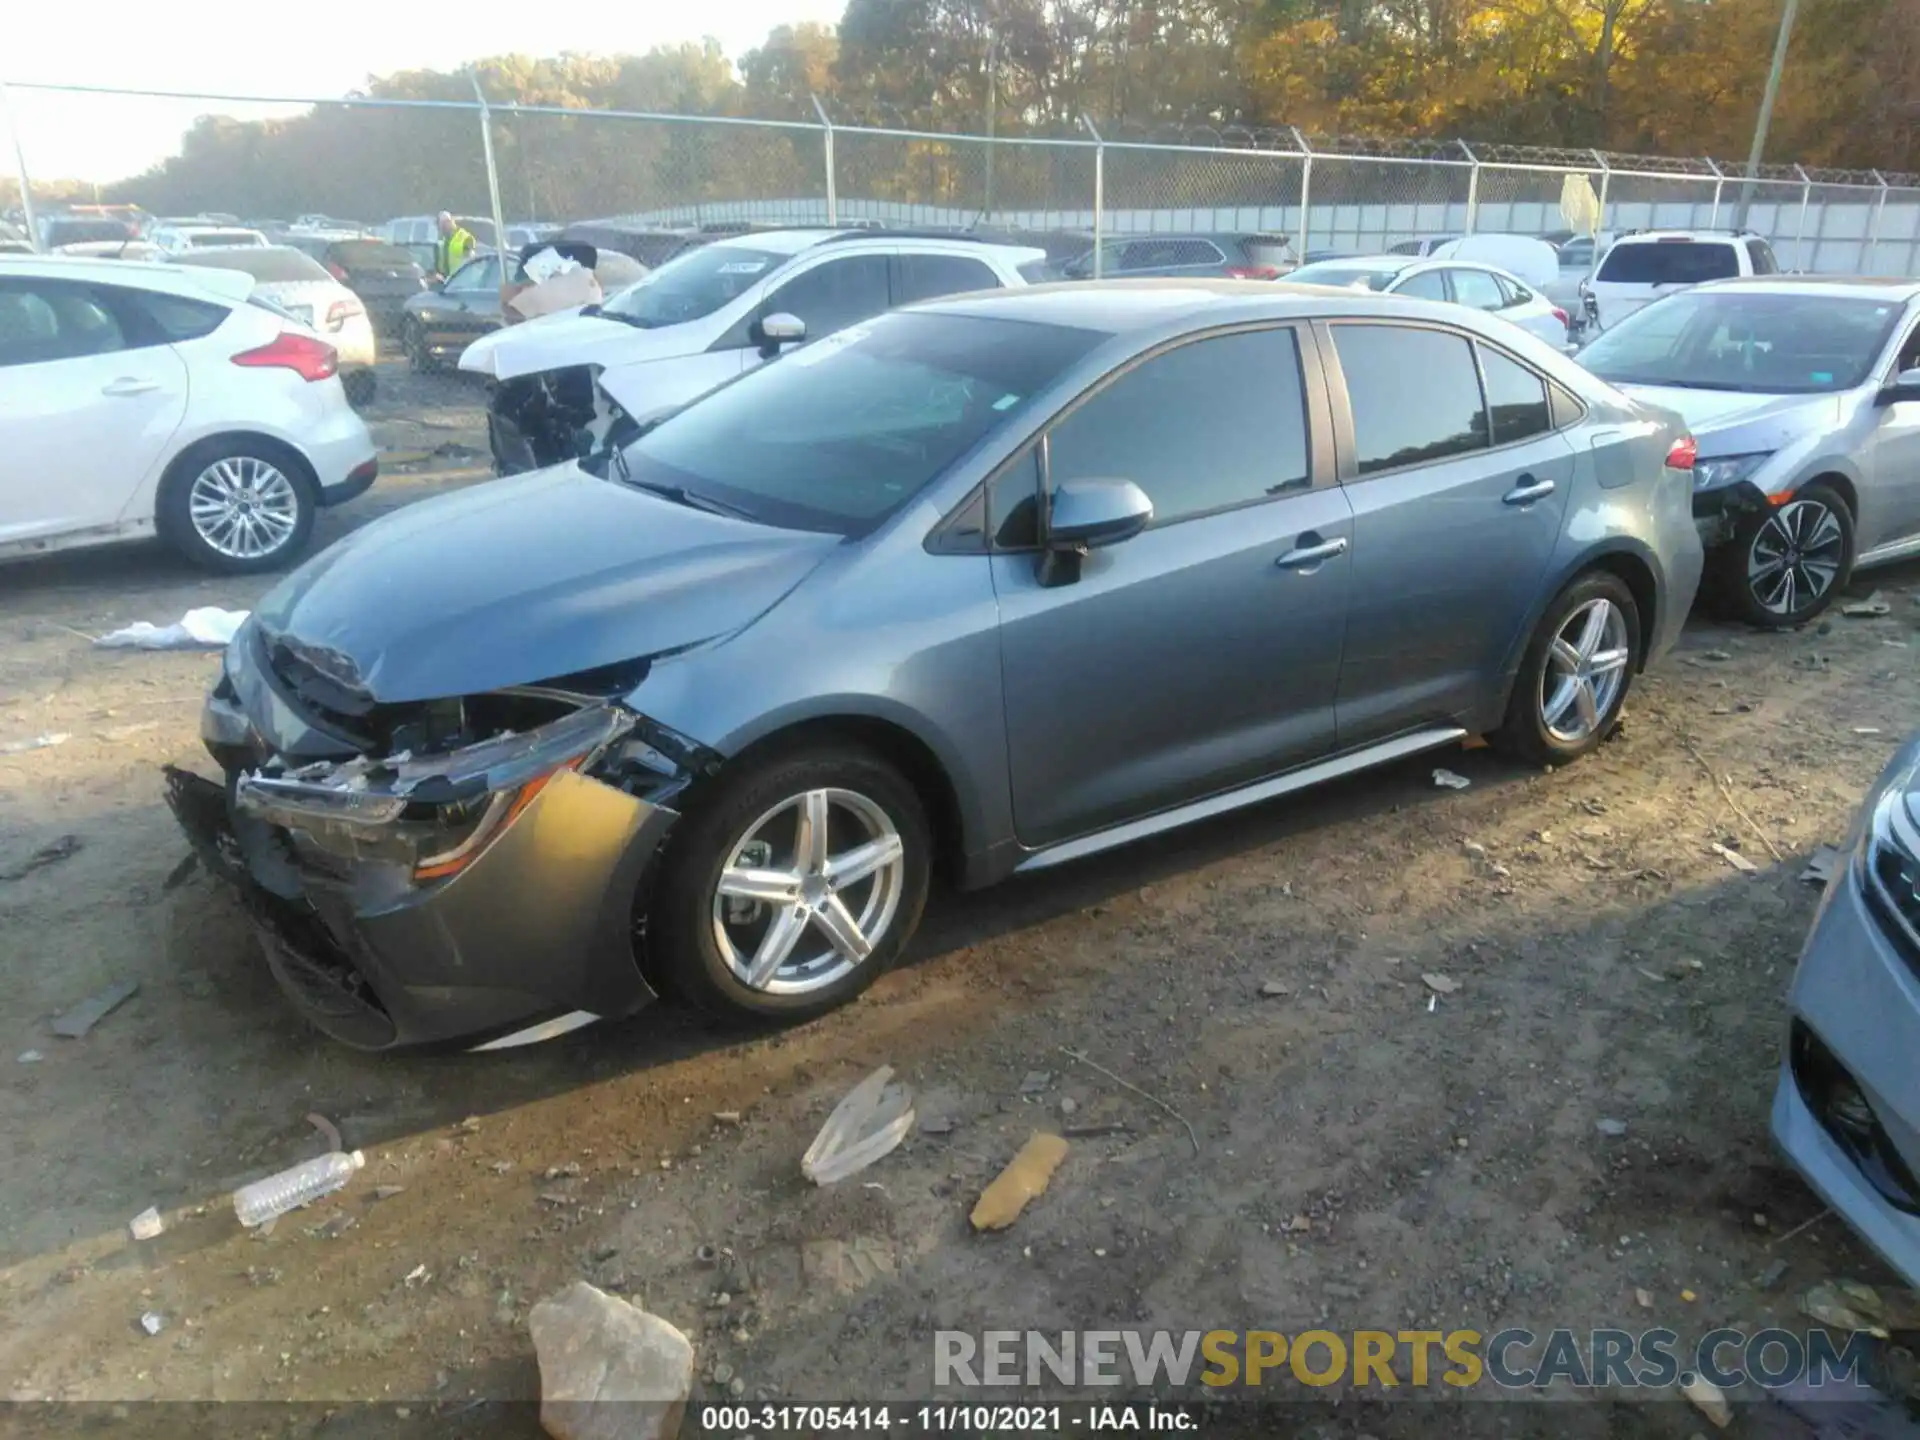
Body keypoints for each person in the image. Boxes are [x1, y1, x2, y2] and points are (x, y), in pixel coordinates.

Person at [435, 211, 476, 280]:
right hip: (445, 280)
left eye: (447, 222)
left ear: (452, 221)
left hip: (461, 280)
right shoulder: (442, 240)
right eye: (442, 223)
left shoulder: (465, 238)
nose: (444, 225)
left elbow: (471, 260)